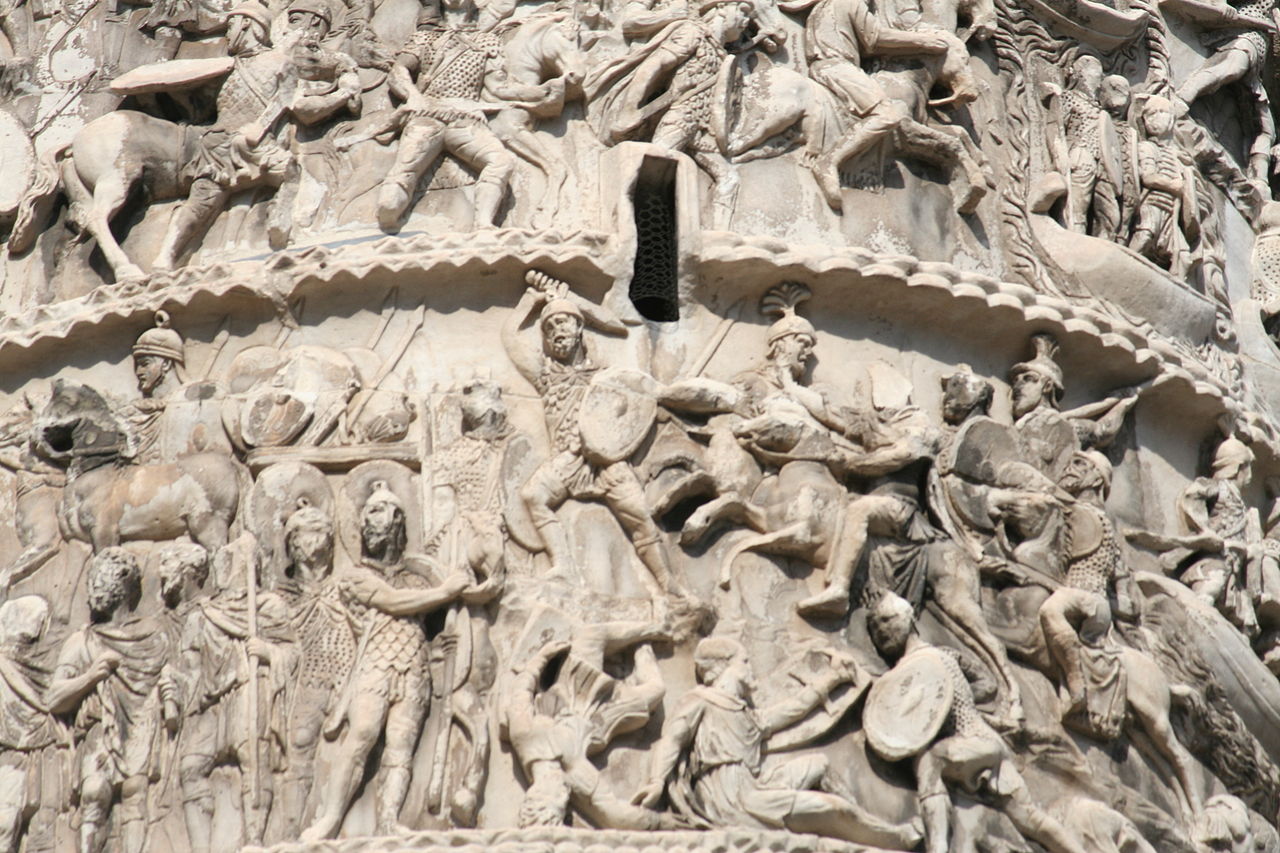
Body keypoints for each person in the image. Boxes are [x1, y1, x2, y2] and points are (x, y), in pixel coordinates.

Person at [632, 635, 922, 849]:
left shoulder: (745, 714)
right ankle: (892, 837)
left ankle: (852, 820)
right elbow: (673, 738)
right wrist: (657, 781)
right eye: (744, 661)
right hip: (731, 799)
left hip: (753, 784)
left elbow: (791, 709)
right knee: (831, 809)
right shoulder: (701, 701)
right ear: (725, 667)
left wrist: (832, 679)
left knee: (818, 764)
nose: (749, 668)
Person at [301, 481, 469, 840]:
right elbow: (393, 602)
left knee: (401, 744)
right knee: (362, 735)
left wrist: (440, 645)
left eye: (380, 513)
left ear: (397, 521)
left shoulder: (416, 574)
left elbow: (422, 621)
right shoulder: (356, 576)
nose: (372, 523)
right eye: (368, 514)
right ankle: (330, 819)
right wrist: (445, 591)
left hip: (413, 666)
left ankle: (389, 821)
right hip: (375, 664)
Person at [866, 593, 1087, 853]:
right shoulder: (899, 675)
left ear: (909, 617)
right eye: (874, 628)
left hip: (974, 739)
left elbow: (985, 684)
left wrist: (967, 701)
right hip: (979, 749)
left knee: (929, 761)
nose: (882, 630)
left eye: (886, 620)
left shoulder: (936, 657)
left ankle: (937, 847)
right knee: (1030, 818)